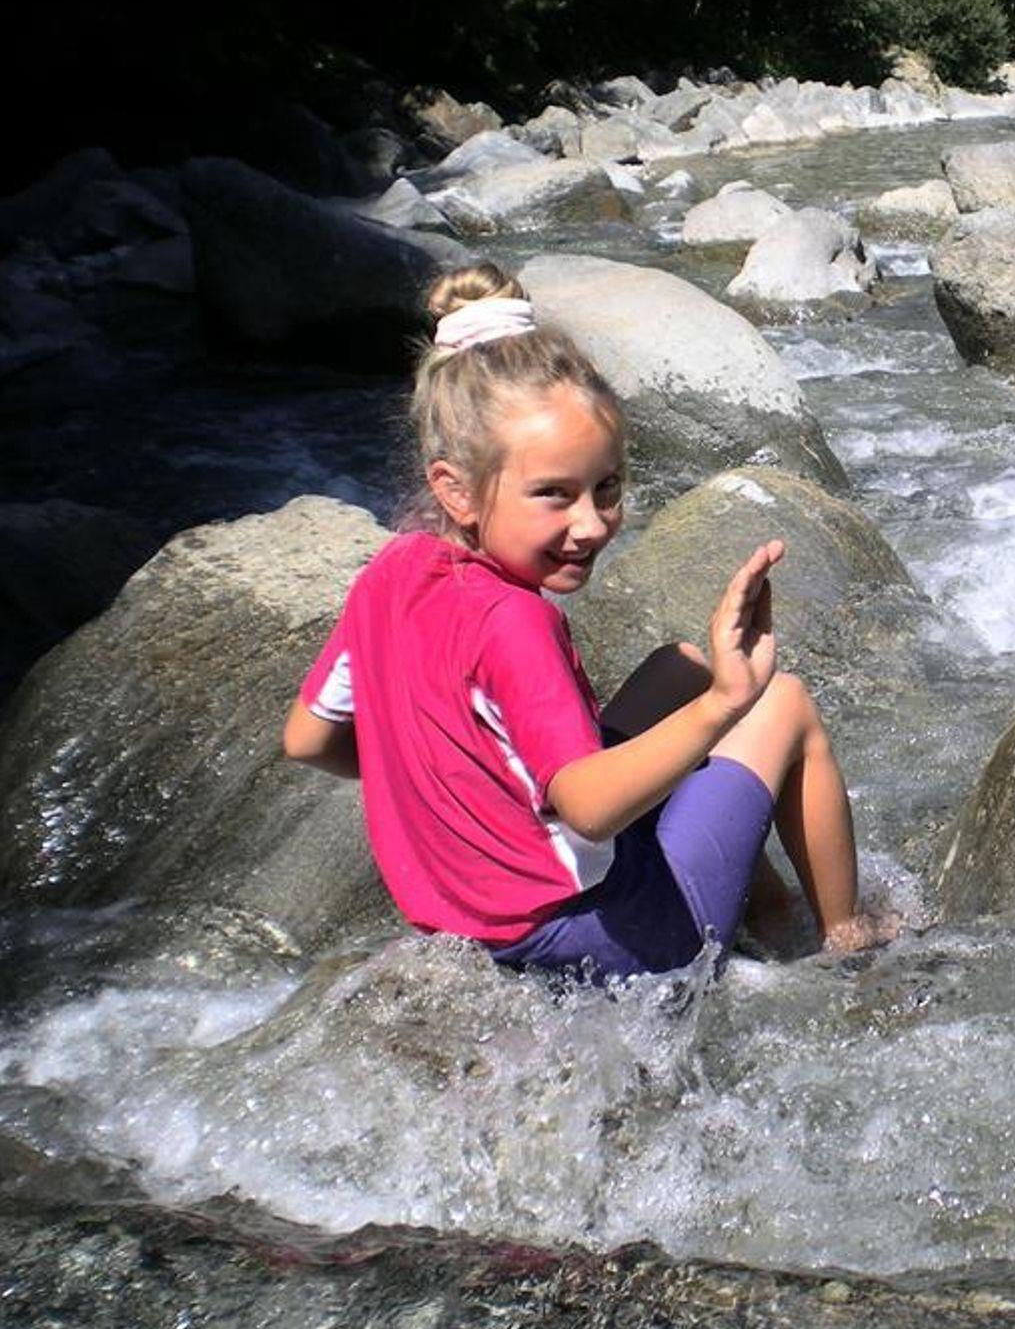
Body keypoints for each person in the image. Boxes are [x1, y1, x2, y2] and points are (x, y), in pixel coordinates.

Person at [282, 263, 894, 980]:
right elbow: (590, 809)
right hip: (601, 940)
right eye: (554, 494)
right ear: (457, 490)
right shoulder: (514, 621)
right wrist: (729, 701)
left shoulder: (389, 574)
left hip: (475, 921)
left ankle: (761, 906)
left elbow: (307, 738)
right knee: (782, 703)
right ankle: (849, 942)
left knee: (677, 668)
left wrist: (451, 780)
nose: (592, 524)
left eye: (607, 488)